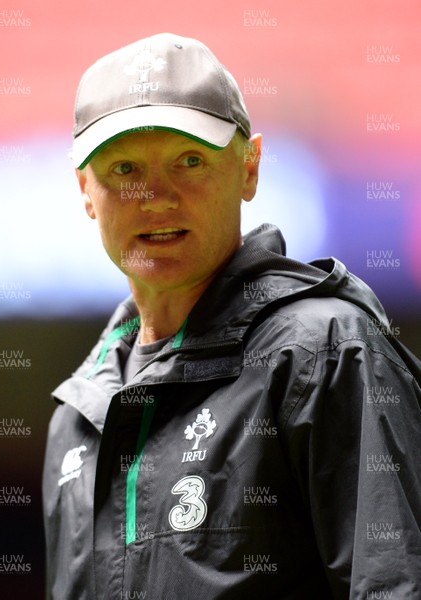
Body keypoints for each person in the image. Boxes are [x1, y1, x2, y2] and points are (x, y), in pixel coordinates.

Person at [43, 33, 421, 599]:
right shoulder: (76, 422)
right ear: (86, 192)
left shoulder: (327, 354)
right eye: (124, 168)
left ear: (249, 167)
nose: (157, 196)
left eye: (190, 160)